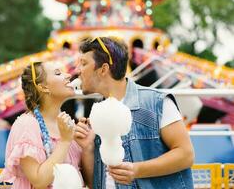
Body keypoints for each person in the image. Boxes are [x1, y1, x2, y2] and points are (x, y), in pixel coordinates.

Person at [74, 37, 195, 189]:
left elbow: (186, 154)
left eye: (84, 63)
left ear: (103, 69)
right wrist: (87, 148)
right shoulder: (97, 115)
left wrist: (137, 170)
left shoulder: (155, 102)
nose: (77, 70)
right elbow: (95, 184)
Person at [0, 61, 88, 188]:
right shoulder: (27, 125)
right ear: (43, 87)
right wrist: (65, 141)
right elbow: (39, 181)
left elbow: (87, 180)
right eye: (58, 73)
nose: (68, 75)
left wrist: (87, 147)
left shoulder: (67, 124)